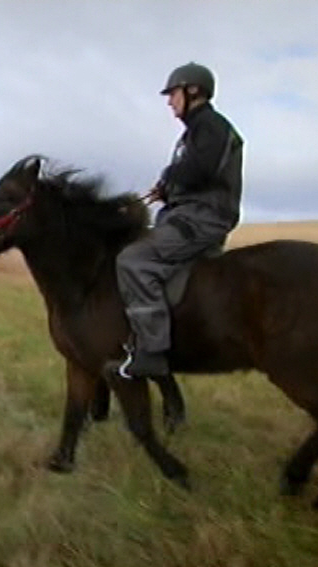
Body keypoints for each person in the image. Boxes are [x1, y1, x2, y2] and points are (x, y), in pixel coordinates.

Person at [104, 62, 245, 380]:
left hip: (202, 218)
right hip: (189, 214)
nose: (169, 101)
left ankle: (152, 351)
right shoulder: (195, 132)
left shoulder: (211, 126)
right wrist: (167, 191)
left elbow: (201, 170)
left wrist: (169, 178)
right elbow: (197, 174)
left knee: (134, 260)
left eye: (173, 93)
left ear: (193, 91)